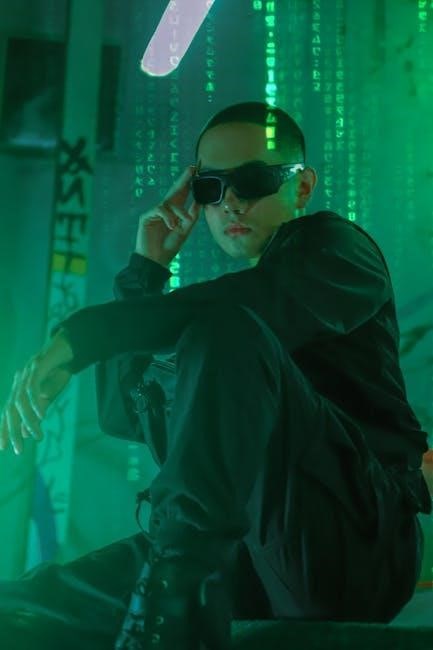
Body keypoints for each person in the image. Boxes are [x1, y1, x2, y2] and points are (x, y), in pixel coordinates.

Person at [0, 101, 431, 650]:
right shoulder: (217, 336)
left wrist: (86, 335)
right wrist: (145, 271)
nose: (231, 201)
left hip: (351, 548)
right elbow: (121, 414)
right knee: (25, 608)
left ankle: (176, 601)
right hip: (238, 555)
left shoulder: (341, 254)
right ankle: (175, 587)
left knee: (228, 325)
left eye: (252, 180)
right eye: (211, 188)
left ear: (301, 187)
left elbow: (248, 310)